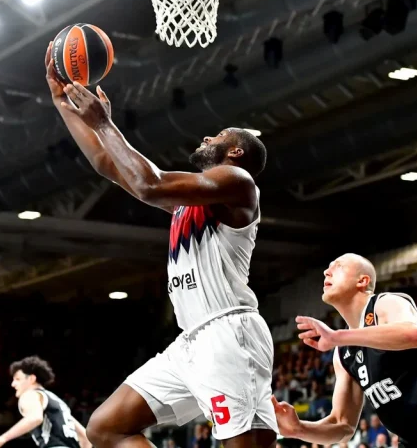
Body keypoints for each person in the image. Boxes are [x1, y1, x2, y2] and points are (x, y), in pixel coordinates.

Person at [45, 43, 277, 448]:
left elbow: (148, 184)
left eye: (219, 136)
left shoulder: (238, 183)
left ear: (235, 151)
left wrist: (105, 124)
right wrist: (63, 102)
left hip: (229, 331)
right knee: (105, 428)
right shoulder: (190, 200)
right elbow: (108, 164)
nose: (208, 136)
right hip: (190, 340)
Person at [272, 253, 417, 448]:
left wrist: (336, 337)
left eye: (337, 266)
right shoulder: (343, 354)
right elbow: (342, 424)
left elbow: (414, 334)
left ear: (363, 280)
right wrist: (299, 429)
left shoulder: (386, 303)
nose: (326, 271)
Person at [0, 356, 90, 448]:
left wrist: (1, 439)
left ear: (31, 379)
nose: (13, 384)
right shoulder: (58, 402)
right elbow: (85, 437)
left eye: (17, 379)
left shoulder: (30, 395)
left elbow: (35, 417)